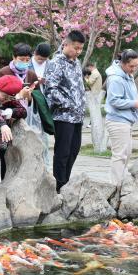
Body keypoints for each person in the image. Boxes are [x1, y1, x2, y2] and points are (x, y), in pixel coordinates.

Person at [45, 30, 86, 191]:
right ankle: (59, 186)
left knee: (74, 150)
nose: (78, 51)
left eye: (81, 48)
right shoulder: (56, 63)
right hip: (63, 116)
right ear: (66, 44)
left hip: (77, 117)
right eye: (76, 48)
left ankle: (65, 183)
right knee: (62, 153)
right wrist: (68, 104)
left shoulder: (76, 62)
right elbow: (50, 90)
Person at [0, 43, 38, 179]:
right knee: (5, 154)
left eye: (27, 60)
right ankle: (4, 182)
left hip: (23, 119)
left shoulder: (31, 75)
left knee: (22, 154)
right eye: (21, 59)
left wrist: (29, 95)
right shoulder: (4, 72)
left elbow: (33, 100)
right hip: (5, 119)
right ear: (14, 57)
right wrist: (18, 95)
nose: (24, 62)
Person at [105, 49, 138, 185]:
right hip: (117, 120)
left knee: (126, 153)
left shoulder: (127, 75)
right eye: (131, 66)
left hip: (126, 120)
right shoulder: (116, 78)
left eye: (135, 66)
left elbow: (131, 95)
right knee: (120, 155)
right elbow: (114, 101)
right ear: (123, 63)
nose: (133, 69)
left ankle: (121, 182)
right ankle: (115, 185)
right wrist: (134, 103)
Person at [29, 42, 52, 165]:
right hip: (31, 101)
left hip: (45, 102)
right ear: (35, 53)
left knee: (43, 134)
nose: (41, 61)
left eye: (44, 59)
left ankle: (44, 164)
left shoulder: (50, 65)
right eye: (39, 59)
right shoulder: (27, 63)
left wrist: (45, 81)